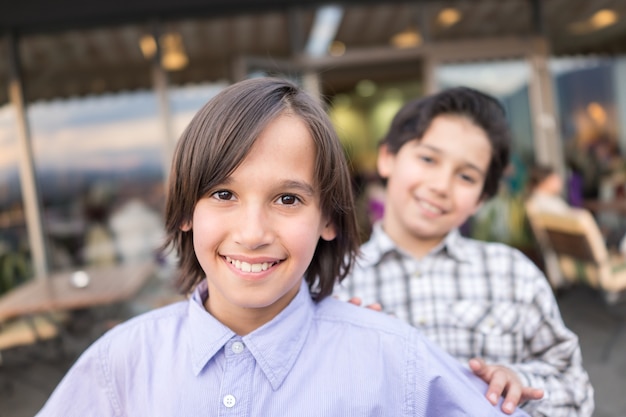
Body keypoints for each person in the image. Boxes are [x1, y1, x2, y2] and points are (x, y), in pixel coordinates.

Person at [36, 78, 529, 416]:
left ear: (330, 218)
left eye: (288, 198)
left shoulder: (393, 359)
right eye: (223, 194)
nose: (252, 232)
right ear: (187, 211)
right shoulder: (119, 364)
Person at [335, 87, 594, 416]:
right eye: (428, 159)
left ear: (482, 199)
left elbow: (576, 390)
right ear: (387, 158)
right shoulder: (335, 282)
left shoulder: (512, 274)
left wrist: (519, 383)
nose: (441, 185)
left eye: (466, 176)